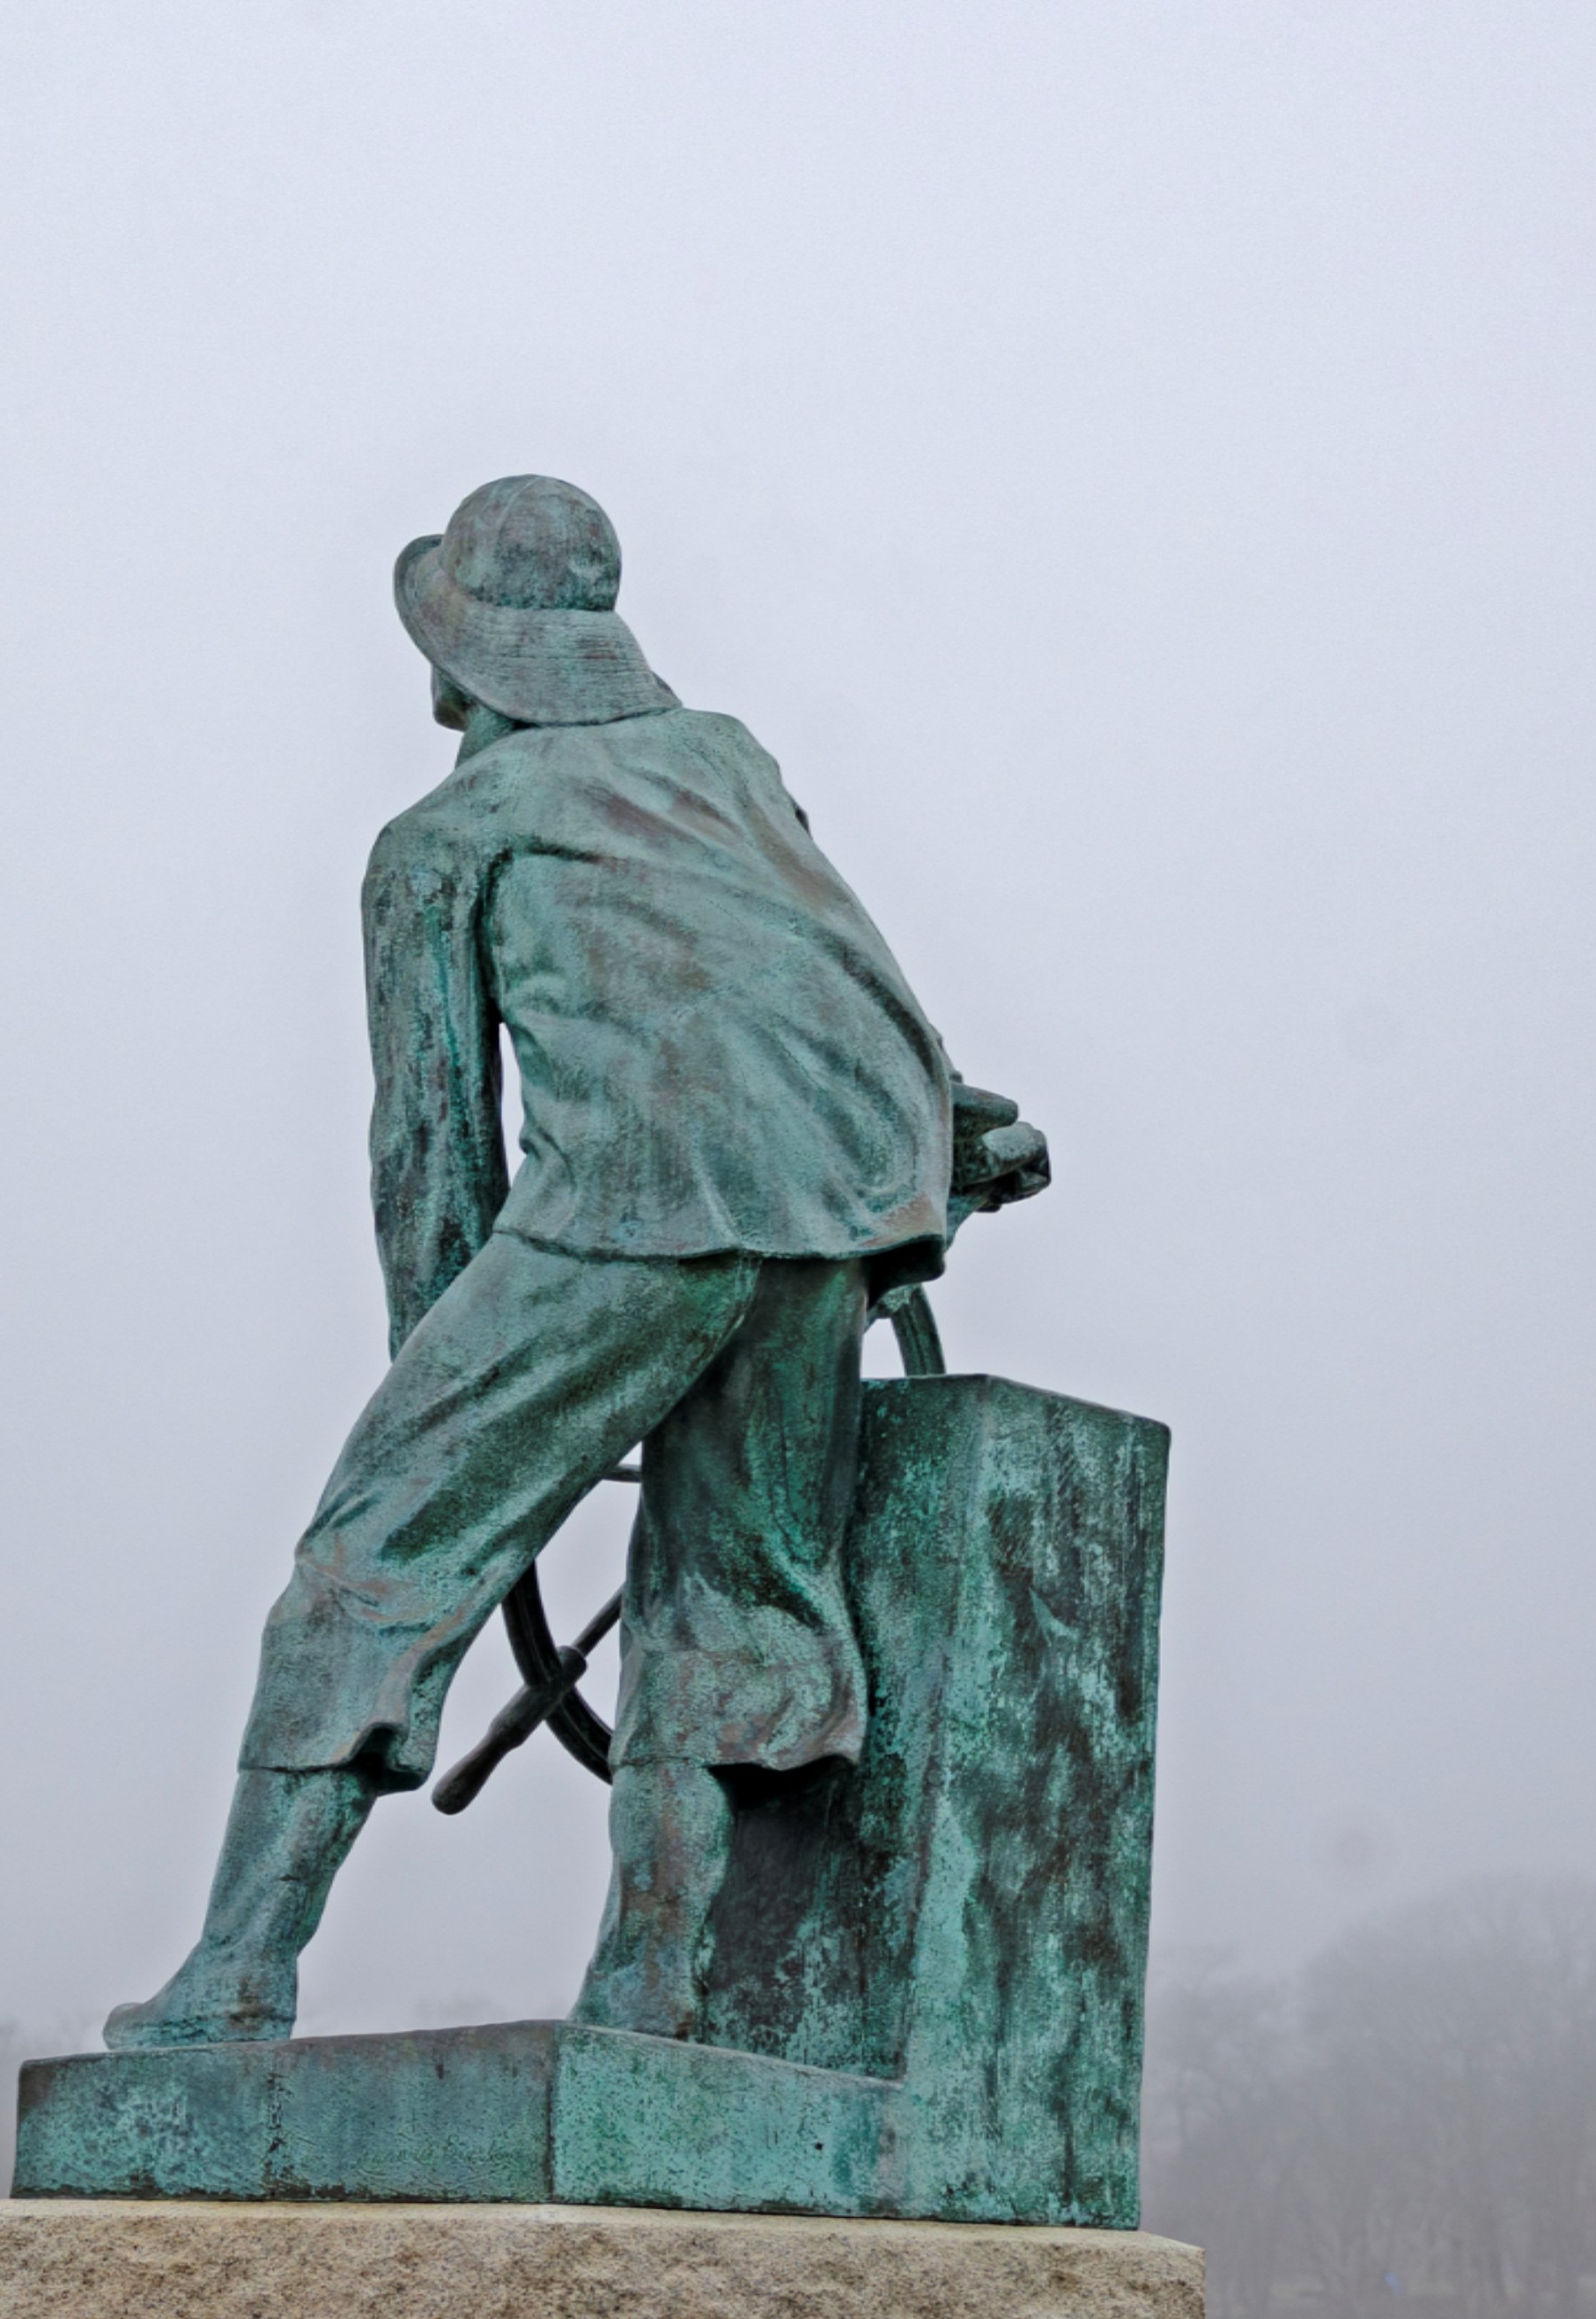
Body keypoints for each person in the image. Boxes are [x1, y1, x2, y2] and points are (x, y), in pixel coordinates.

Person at [111, 475, 1043, 2049]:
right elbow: (823, 962)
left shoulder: (439, 838)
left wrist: (448, 1394)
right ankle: (650, 1983)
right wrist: (935, 1132)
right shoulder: (723, 760)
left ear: (454, 664)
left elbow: (430, 1148)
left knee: (368, 1572)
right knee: (737, 1594)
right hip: (822, 1210)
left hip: (625, 1212)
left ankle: (233, 1976)